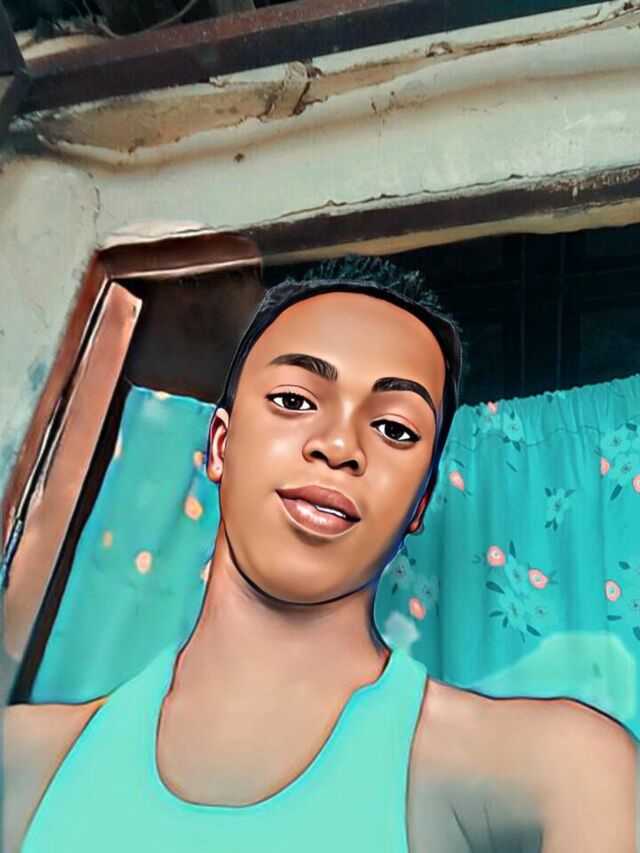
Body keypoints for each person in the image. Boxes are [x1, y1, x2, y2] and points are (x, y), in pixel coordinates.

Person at [4, 277, 637, 852]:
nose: (338, 446)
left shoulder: (562, 773)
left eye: (394, 429)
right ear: (220, 444)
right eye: (294, 399)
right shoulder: (21, 761)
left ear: (421, 501)